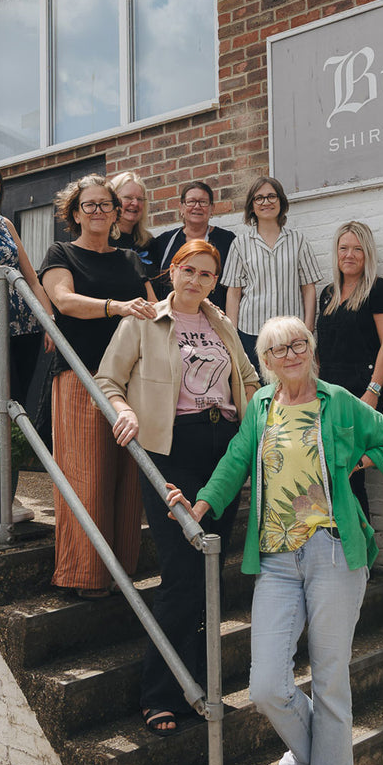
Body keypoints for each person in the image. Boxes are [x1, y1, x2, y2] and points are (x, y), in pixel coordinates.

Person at [167, 315, 383, 765]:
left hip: (334, 553)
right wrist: (198, 506)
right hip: (277, 559)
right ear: (267, 361)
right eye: (279, 350)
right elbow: (237, 459)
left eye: (299, 344)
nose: (291, 355)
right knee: (265, 687)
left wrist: (352, 462)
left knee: (330, 684)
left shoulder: (337, 400)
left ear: (311, 348)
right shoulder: (260, 404)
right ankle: (312, 751)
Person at [94, 239, 260, 736]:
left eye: (208, 274)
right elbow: (107, 379)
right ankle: (161, 693)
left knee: (212, 574)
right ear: (173, 271)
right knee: (182, 574)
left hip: (224, 450)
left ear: (215, 281)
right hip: (171, 450)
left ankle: (201, 688)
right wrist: (124, 410)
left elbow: (248, 380)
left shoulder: (222, 325)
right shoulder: (144, 319)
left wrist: (254, 426)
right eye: (189, 270)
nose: (197, 280)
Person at [39, 174, 156, 599]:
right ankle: (84, 576)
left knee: (127, 480)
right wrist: (116, 307)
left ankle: (121, 572)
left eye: (105, 204)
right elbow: (64, 301)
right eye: (89, 205)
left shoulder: (128, 259)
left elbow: (154, 309)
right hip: (81, 375)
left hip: (128, 381)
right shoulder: (61, 253)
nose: (99, 212)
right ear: (75, 213)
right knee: (87, 477)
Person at [0, 161, 55, 523]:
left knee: (20, 408)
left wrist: (49, 319)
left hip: (25, 328)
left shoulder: (6, 225)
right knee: (2, 408)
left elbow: (31, 275)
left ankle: (11, 496)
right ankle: (2, 499)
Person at [316, 220, 383, 522]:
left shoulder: (378, 289)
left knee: (350, 473)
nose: (349, 255)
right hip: (328, 393)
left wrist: (373, 392)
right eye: (343, 248)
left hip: (361, 391)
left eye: (357, 249)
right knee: (330, 473)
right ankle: (335, 547)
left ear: (367, 254)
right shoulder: (328, 293)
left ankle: (361, 557)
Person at [221, 176, 321, 371]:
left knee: (292, 388)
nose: (266, 202)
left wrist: (308, 328)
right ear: (252, 206)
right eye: (259, 198)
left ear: (281, 202)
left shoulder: (297, 240)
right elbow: (233, 293)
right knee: (257, 389)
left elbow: (308, 288)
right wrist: (233, 335)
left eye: (271, 196)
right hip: (251, 333)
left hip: (292, 334)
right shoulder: (240, 244)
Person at [153, 180, 235, 310]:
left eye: (203, 202)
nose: (197, 206)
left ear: (212, 208)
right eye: (191, 202)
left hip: (213, 319)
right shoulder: (164, 241)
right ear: (181, 207)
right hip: (172, 319)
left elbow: (234, 287)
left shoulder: (227, 240)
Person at [109, 171, 160, 282]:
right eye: (128, 198)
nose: (135, 203)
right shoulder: (102, 240)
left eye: (140, 199)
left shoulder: (150, 243)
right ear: (112, 200)